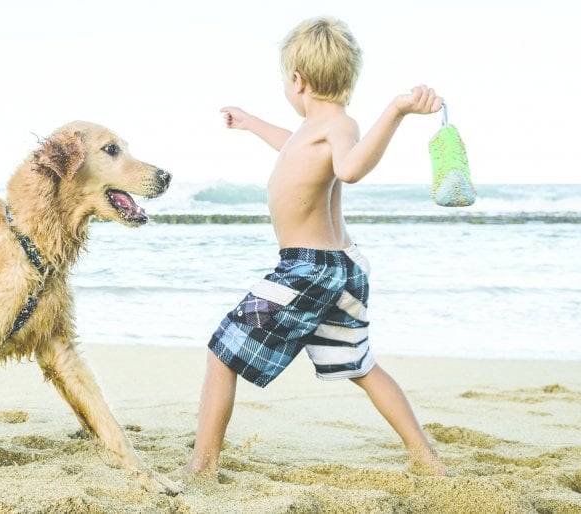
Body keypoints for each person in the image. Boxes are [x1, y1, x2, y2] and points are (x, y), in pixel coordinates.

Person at [181, 16, 447, 477]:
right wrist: (249, 123)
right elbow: (291, 147)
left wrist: (396, 112)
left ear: (297, 80)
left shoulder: (341, 125)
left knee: (222, 350)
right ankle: (425, 457)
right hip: (338, 267)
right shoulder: (314, 129)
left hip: (309, 269)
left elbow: (348, 168)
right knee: (359, 364)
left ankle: (202, 466)